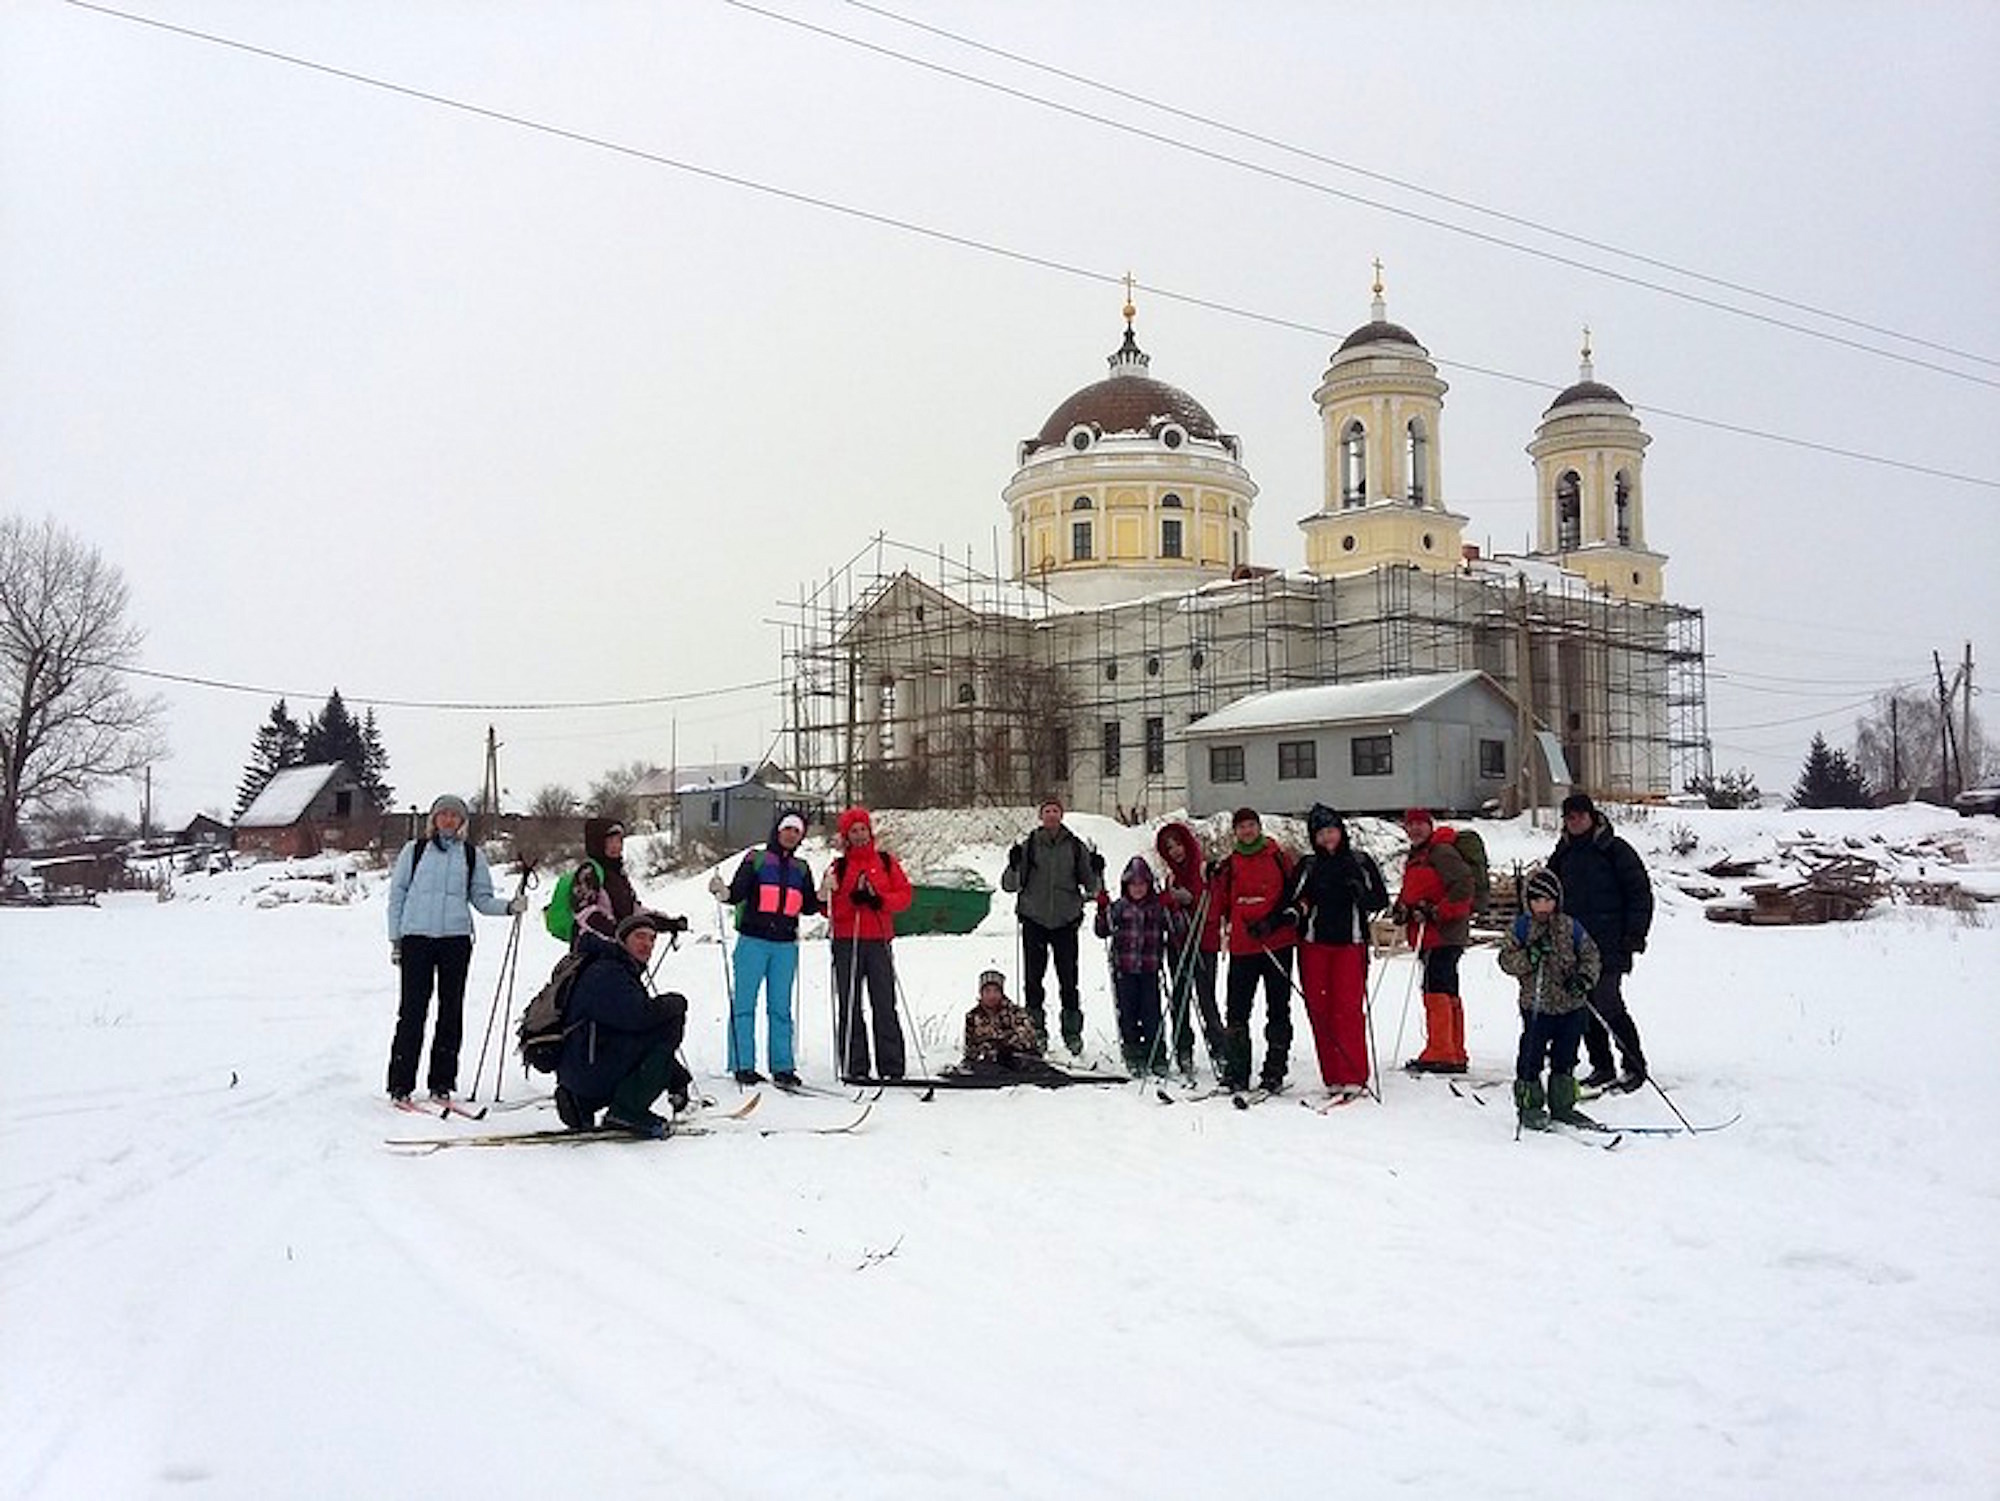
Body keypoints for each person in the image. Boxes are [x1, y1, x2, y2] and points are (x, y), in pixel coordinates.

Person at [384, 793, 523, 1104]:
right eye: (443, 814)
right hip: (416, 940)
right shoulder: (415, 851)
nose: (448, 820)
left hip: (455, 942)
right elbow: (397, 896)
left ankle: (442, 1083)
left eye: (454, 816)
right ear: (433, 819)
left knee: (451, 1013)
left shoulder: (471, 856)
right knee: (412, 1012)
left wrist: (510, 907)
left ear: (462, 822)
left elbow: (482, 899)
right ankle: (400, 1084)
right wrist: (396, 939)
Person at [1546, 793, 1655, 1091]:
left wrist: (1635, 933)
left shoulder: (1615, 850)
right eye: (1569, 817)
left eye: (1580, 815)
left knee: (1608, 1003)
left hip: (1610, 942)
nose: (1575, 821)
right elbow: (1546, 893)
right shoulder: (1562, 854)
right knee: (1583, 1006)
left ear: (1592, 817)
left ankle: (1634, 1065)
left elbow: (1639, 893)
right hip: (1573, 944)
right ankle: (1601, 1066)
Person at [1281, 803, 1389, 1098]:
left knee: (1347, 1009)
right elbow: (1294, 899)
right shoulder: (1309, 865)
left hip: (1349, 943)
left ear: (1341, 832)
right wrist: (1292, 913)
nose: (1327, 838)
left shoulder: (1360, 861)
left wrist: (1361, 894)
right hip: (1314, 945)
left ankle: (1353, 1074)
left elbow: (1380, 900)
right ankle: (1332, 1077)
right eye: (1321, 833)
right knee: (1320, 1010)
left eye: (1331, 831)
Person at [555, 911, 695, 1138]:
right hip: (591, 1066)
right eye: (640, 936)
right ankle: (626, 1112)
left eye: (652, 939)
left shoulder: (608, 966)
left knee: (654, 1024)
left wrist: (676, 1077)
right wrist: (675, 1004)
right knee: (669, 1019)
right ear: (622, 940)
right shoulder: (610, 971)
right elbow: (638, 1019)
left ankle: (581, 1102)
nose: (647, 944)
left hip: (582, 1066)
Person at [710, 809, 821, 1088]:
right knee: (745, 1004)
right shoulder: (756, 859)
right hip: (753, 942)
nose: (791, 835)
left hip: (785, 945)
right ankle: (742, 1064)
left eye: (797, 831)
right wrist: (723, 892)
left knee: (780, 1007)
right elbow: (737, 893)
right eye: (787, 829)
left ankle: (783, 1066)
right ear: (778, 830)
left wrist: (822, 894)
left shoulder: (802, 868)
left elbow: (807, 906)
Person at [999, 796, 1105, 1057]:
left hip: (1065, 920)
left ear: (1062, 814)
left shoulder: (1076, 847)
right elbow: (1010, 885)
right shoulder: (1029, 846)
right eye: (1047, 811)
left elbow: (1092, 888)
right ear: (1040, 815)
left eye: (1055, 811)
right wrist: (1013, 864)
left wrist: (1097, 869)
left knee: (1069, 980)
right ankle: (1035, 1032)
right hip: (1034, 918)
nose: (1051, 815)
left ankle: (1072, 1034)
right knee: (1033, 981)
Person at [1496, 868, 1602, 1129]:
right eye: (1537, 901)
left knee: (1565, 1057)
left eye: (1548, 900)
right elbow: (1506, 960)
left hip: (1570, 1004)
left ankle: (1563, 1104)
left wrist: (1584, 980)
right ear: (1528, 902)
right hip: (1536, 1005)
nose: (1543, 907)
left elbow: (1591, 956)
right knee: (1531, 1056)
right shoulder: (1521, 927)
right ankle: (1529, 1104)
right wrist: (1530, 956)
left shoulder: (1570, 926)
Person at [820, 805, 913, 1082]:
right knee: (850, 1003)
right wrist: (838, 895)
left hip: (879, 940)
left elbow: (905, 895)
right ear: (846, 836)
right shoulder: (839, 866)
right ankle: (855, 1065)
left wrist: (879, 899)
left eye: (863, 829)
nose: (859, 835)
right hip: (848, 941)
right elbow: (828, 909)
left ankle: (892, 1066)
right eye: (854, 831)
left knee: (884, 1003)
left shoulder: (885, 862)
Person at [1208, 806, 1297, 1093]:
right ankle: (1237, 1071)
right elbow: (1219, 906)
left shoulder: (1277, 856)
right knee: (1236, 1010)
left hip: (1276, 943)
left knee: (1278, 1008)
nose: (1247, 831)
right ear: (1235, 832)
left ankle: (1274, 1070)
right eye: (1241, 826)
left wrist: (1273, 922)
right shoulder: (1230, 864)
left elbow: (1292, 895)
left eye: (1251, 825)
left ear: (1259, 827)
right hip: (1243, 946)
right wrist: (1212, 879)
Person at [1391, 808, 1476, 1074]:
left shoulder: (1441, 852)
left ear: (1430, 826)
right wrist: (1402, 909)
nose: (1415, 829)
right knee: (1445, 989)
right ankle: (1453, 1050)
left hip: (1442, 933)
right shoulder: (1420, 855)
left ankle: (1441, 1051)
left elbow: (1464, 887)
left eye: (1420, 824)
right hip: (1430, 934)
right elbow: (1414, 891)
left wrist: (1436, 911)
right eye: (1410, 825)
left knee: (1435, 988)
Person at [1094, 854, 1175, 1076]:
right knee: (1128, 1013)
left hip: (1149, 969)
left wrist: (1171, 906)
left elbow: (1177, 929)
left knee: (1151, 1014)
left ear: (1149, 885)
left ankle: (1156, 1054)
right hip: (1125, 970)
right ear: (1126, 886)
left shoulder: (1157, 907)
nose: (1138, 889)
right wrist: (1102, 911)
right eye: (1133, 885)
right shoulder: (1120, 907)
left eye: (1142, 884)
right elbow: (1102, 931)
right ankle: (1133, 1053)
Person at [1155, 820, 1225, 1072]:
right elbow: (1165, 909)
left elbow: (1215, 906)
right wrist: (1170, 903)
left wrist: (1192, 900)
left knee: (1206, 998)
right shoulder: (1170, 877)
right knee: (1180, 997)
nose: (1175, 851)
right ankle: (1183, 1047)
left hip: (1203, 943)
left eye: (1178, 844)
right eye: (1169, 847)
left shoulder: (1206, 869)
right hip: (1178, 943)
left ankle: (1219, 1046)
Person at [567, 816, 639, 943]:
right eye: (611, 841)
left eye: (619, 841)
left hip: (619, 946)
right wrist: (616, 931)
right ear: (598, 843)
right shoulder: (588, 872)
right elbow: (585, 912)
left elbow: (635, 910)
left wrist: (668, 923)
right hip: (593, 949)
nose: (617, 846)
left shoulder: (618, 874)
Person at [960, 968, 1045, 1074]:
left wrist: (1005, 1046)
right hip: (988, 1063)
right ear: (981, 993)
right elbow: (970, 1049)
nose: (992, 996)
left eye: (996, 991)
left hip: (1017, 1059)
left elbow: (1028, 1039)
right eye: (987, 991)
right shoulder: (972, 1016)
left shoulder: (1015, 1012)